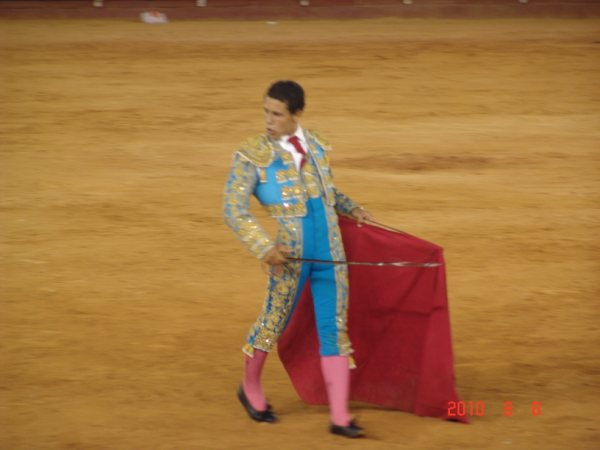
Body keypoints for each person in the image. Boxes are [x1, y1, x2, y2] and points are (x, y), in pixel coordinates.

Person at [223, 80, 372, 438]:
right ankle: (250, 387)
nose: (268, 121)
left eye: (277, 114)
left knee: (334, 329)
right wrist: (264, 247)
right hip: (288, 258)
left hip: (331, 255)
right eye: (266, 112)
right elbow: (233, 209)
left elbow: (325, 192)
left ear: (296, 115)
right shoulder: (251, 154)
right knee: (273, 322)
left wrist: (351, 207)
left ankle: (340, 417)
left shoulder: (316, 145)